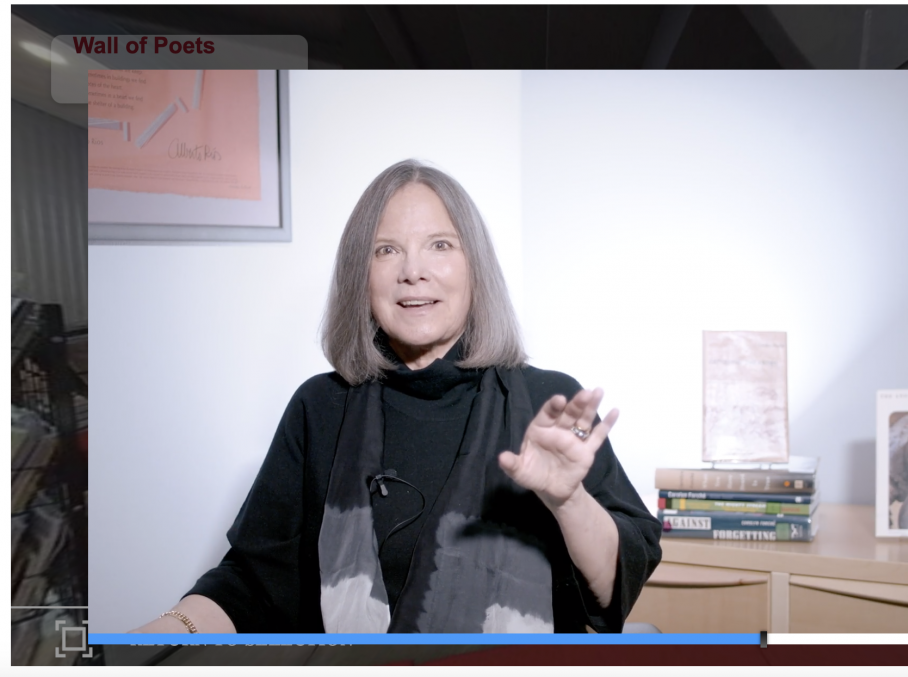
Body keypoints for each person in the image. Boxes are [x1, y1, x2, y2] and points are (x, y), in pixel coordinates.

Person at [132, 159, 662, 634]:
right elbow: (253, 582)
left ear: (474, 266)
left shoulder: (546, 401)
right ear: (361, 276)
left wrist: (568, 501)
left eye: (440, 244)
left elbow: (616, 585)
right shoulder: (320, 407)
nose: (414, 270)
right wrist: (162, 633)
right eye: (387, 250)